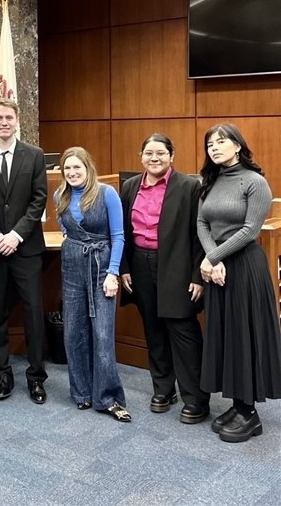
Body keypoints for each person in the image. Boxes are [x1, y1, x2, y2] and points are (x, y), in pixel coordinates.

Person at [197, 123, 281, 443]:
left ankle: (249, 413)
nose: (214, 148)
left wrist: (213, 257)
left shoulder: (255, 182)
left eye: (221, 142)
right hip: (218, 268)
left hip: (245, 267)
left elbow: (249, 230)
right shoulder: (211, 180)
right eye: (209, 144)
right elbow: (202, 222)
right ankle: (236, 403)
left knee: (245, 335)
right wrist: (212, 258)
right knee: (227, 335)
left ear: (237, 145)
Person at [120, 134, 209, 424]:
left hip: (178, 267)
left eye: (160, 152)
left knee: (183, 331)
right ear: (140, 156)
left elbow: (200, 234)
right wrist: (124, 268)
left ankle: (195, 398)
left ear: (171, 155)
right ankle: (163, 388)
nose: (154, 158)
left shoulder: (188, 186)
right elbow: (122, 232)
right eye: (148, 153)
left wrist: (197, 276)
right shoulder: (131, 186)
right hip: (140, 265)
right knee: (153, 329)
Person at [0, 99, 48, 405]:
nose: (4, 122)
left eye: (9, 117)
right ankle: (1, 373)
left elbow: (38, 199)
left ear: (17, 121)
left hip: (26, 248)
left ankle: (36, 376)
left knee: (32, 313)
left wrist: (15, 235)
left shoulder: (35, 155)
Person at [54, 147, 130, 422]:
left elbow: (119, 236)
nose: (72, 173)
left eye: (78, 168)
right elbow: (65, 227)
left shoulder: (106, 193)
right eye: (67, 169)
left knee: (101, 333)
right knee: (73, 332)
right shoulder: (59, 195)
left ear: (88, 168)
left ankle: (108, 397)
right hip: (72, 264)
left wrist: (113, 273)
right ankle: (82, 393)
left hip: (101, 264)